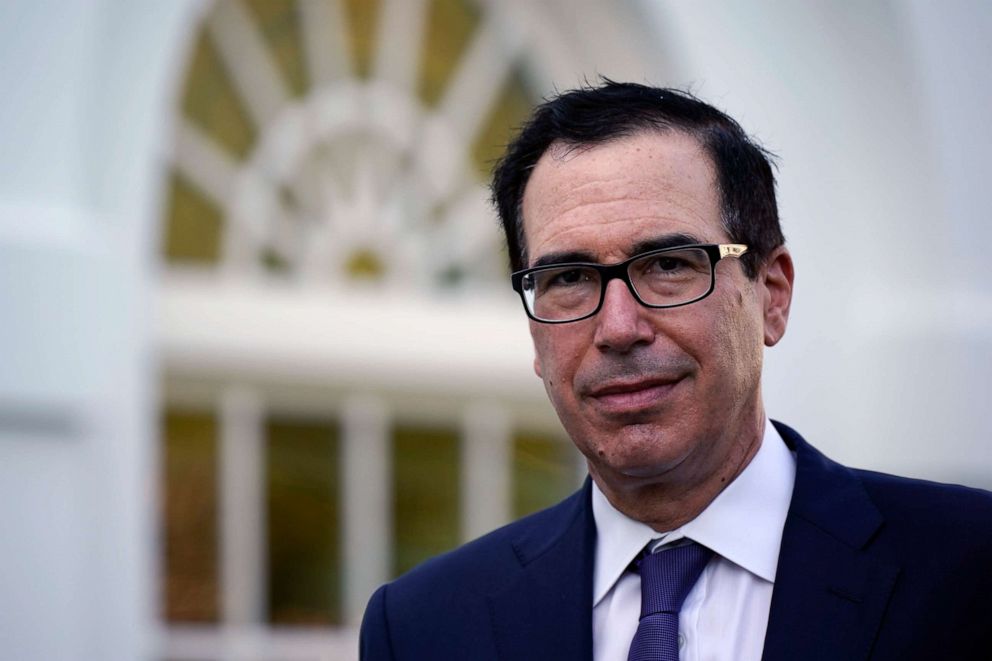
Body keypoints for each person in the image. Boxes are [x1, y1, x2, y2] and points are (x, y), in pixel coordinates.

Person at [359, 81, 992, 660]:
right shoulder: (424, 627)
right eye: (569, 279)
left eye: (667, 266)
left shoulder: (969, 570)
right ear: (533, 330)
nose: (618, 329)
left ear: (771, 294)